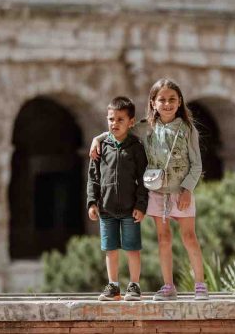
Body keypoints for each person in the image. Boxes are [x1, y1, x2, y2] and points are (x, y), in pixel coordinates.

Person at [91, 79, 208, 301]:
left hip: (181, 192)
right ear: (153, 103)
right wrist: (97, 139)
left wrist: (186, 189)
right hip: (156, 192)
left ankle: (200, 285)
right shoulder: (146, 127)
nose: (167, 104)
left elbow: (197, 164)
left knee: (189, 237)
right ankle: (168, 286)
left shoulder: (187, 129)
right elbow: (119, 131)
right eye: (161, 99)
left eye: (172, 99)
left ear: (180, 101)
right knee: (163, 239)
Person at [87, 96, 149, 301]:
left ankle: (134, 285)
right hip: (106, 209)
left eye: (120, 119)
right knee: (110, 248)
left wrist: (141, 205)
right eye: (111, 119)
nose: (115, 124)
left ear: (131, 122)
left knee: (132, 248)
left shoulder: (136, 147)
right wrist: (92, 202)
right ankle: (113, 286)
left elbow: (143, 179)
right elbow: (93, 177)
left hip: (131, 209)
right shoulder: (101, 146)